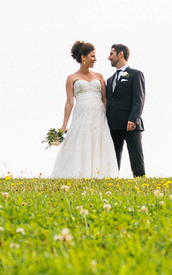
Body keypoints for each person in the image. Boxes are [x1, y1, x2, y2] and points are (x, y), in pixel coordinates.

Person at [51, 41, 119, 179]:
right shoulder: (71, 78)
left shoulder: (99, 77)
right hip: (81, 114)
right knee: (80, 142)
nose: (95, 59)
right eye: (92, 56)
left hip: (98, 115)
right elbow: (69, 102)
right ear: (83, 57)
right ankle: (77, 174)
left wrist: (108, 118)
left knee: (99, 142)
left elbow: (104, 99)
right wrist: (64, 125)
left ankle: (100, 174)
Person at [105, 44, 145, 177]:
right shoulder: (109, 80)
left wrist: (133, 118)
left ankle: (140, 181)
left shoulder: (135, 74)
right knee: (113, 157)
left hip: (130, 123)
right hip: (113, 124)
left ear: (120, 54)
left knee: (136, 155)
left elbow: (139, 99)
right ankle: (113, 180)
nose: (109, 57)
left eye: (111, 54)